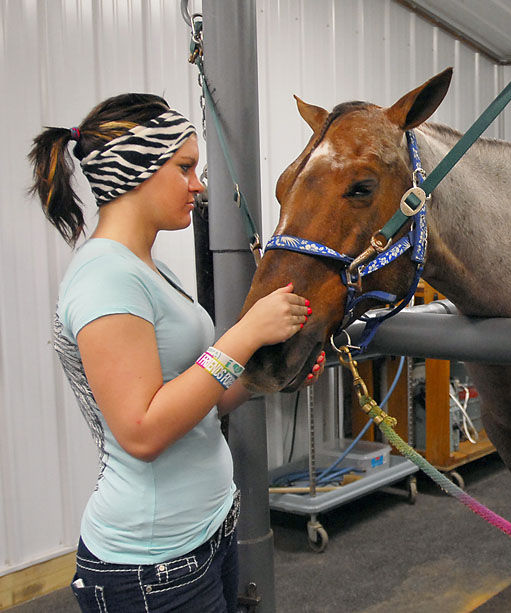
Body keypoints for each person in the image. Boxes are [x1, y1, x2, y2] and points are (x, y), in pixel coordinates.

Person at [29, 93, 324, 612]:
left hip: (202, 536)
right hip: (152, 565)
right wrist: (244, 335)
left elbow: (198, 400)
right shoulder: (106, 279)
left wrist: (270, 373)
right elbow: (142, 431)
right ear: (136, 167)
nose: (199, 185)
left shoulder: (149, 270)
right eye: (185, 167)